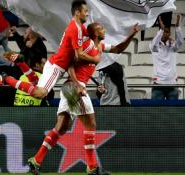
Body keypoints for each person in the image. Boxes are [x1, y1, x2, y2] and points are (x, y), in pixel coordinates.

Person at [27, 22, 139, 175]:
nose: (104, 29)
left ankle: (36, 160)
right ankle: (92, 167)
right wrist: (78, 85)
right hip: (75, 87)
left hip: (69, 89)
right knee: (90, 124)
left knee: (61, 127)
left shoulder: (99, 47)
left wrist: (131, 35)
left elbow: (118, 49)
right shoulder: (87, 46)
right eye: (101, 28)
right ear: (95, 33)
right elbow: (70, 65)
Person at [1, 0, 99, 99]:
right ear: (78, 12)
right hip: (57, 67)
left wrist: (108, 46)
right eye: (86, 11)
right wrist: (95, 59)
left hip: (55, 65)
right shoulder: (76, 29)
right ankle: (6, 78)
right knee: (40, 93)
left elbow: (93, 36)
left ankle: (19, 65)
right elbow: (80, 54)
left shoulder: (79, 27)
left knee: (36, 85)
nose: (87, 14)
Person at [149, 15, 183, 100]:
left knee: (173, 111)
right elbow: (154, 43)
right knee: (156, 111)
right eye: (164, 32)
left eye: (167, 32)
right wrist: (161, 29)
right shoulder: (155, 47)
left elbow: (180, 41)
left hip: (172, 85)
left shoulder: (173, 46)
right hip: (158, 85)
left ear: (169, 34)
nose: (165, 33)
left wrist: (178, 27)